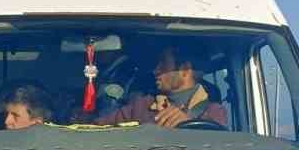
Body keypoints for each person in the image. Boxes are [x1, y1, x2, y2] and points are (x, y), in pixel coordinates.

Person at [98, 45, 228, 128]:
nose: (156, 70)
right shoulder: (142, 105)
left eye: (163, 64)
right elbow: (100, 126)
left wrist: (189, 126)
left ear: (184, 70)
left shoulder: (214, 112)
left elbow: (219, 148)